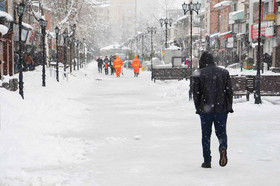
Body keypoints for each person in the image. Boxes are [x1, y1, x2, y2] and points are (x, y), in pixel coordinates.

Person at [193, 51, 233, 168]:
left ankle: (207, 161)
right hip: (221, 109)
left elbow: (196, 93)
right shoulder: (224, 73)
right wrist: (228, 106)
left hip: (206, 110)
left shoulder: (199, 74)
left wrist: (198, 107)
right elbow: (229, 92)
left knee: (206, 135)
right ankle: (223, 148)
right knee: (221, 133)